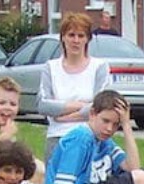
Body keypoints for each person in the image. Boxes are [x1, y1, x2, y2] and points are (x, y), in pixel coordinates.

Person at [38, 12, 114, 162]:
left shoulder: (99, 67)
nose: (76, 40)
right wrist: (81, 105)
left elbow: (101, 106)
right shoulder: (50, 67)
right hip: (57, 139)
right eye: (71, 35)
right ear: (63, 37)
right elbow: (43, 105)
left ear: (87, 39)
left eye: (81, 36)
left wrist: (62, 116)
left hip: (89, 137)